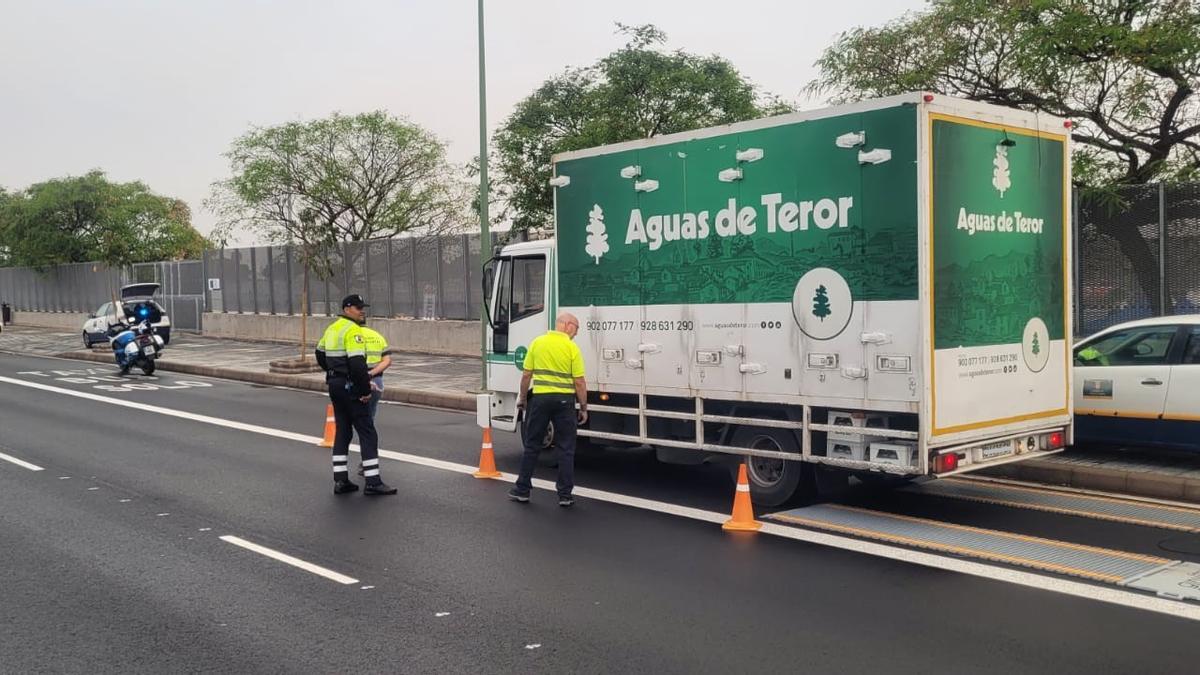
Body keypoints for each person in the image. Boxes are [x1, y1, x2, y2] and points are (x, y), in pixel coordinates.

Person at [315, 294, 396, 496]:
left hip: (334, 384)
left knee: (343, 431)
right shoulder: (353, 331)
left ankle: (341, 481)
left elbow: (319, 353)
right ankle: (373, 482)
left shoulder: (332, 328)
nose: (362, 311)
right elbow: (358, 364)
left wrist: (333, 371)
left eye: (362, 308)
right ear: (347, 309)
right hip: (350, 385)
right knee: (367, 431)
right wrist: (364, 390)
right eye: (358, 308)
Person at [508, 312, 588, 507]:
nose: (576, 334)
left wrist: (523, 399)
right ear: (567, 325)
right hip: (564, 403)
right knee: (566, 449)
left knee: (532, 445)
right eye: (576, 329)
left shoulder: (537, 343)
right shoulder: (571, 348)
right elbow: (579, 382)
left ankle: (522, 489)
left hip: (540, 401)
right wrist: (583, 407)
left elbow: (526, 375)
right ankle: (565, 495)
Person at [356, 322, 392, 475]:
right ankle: (368, 462)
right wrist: (372, 374)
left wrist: (364, 377)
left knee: (353, 425)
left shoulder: (352, 336)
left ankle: (366, 464)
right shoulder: (377, 336)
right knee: (369, 423)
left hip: (357, 383)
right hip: (377, 382)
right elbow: (387, 361)